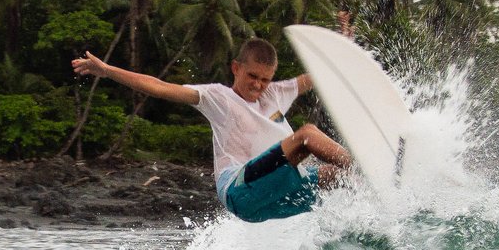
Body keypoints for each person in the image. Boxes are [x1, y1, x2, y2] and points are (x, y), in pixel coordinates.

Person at [72, 34, 350, 222]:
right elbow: (159, 87)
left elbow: (320, 75)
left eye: (265, 80)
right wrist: (107, 70)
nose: (258, 85)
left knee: (333, 176)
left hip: (271, 197)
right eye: (252, 76)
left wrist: (343, 43)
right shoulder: (217, 97)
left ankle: (378, 195)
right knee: (306, 136)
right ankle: (367, 166)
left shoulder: (277, 93)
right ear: (236, 68)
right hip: (238, 190)